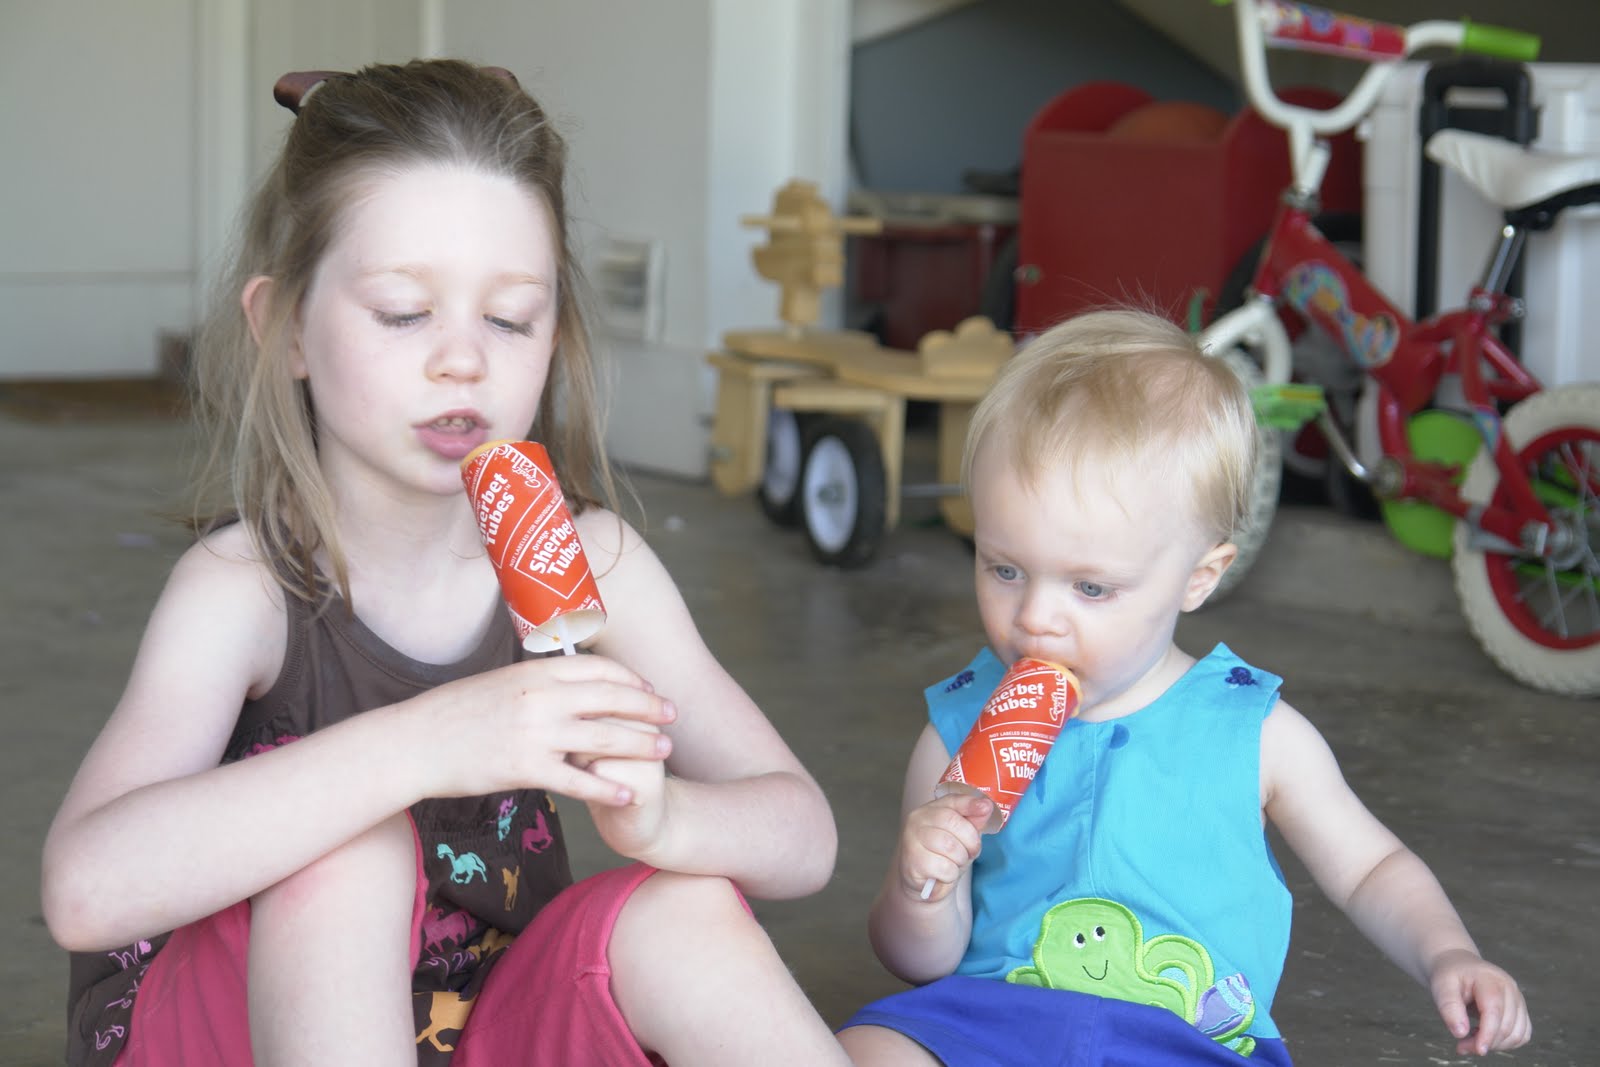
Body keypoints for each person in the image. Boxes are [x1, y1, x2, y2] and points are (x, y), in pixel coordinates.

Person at [41, 60, 852, 1067]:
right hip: (224, 1029)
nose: (462, 359)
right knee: (350, 846)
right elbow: (85, 890)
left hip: (471, 1022)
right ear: (285, 326)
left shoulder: (594, 562)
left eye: (510, 318)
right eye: (402, 311)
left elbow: (803, 836)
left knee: (686, 906)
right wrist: (428, 742)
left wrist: (667, 814)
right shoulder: (244, 587)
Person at [836, 308, 1531, 1065]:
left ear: (1198, 578)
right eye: (1004, 568)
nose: (1034, 619)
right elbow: (918, 961)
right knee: (866, 1048)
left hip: (1187, 1040)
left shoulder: (1256, 733)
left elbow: (1370, 869)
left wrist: (1448, 953)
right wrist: (921, 886)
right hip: (992, 1020)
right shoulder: (955, 733)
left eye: (1091, 587)